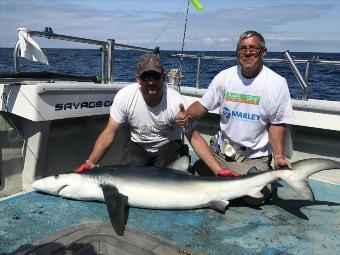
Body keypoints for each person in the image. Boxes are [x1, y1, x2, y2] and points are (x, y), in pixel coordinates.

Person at [75, 53, 240, 178]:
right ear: (138, 79)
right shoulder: (125, 97)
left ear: (164, 76)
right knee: (129, 176)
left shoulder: (177, 103)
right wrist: (91, 162)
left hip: (167, 146)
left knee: (165, 175)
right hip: (138, 145)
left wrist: (219, 171)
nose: (151, 81)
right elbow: (109, 132)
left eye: (156, 76)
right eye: (146, 76)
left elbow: (194, 138)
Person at [176, 31, 294, 205]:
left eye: (253, 49)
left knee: (255, 200)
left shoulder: (276, 83)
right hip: (221, 153)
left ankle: (240, 182)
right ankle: (224, 180)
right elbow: (203, 106)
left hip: (254, 158)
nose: (247, 53)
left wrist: (278, 156)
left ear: (263, 52)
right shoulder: (225, 77)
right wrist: (185, 115)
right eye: (242, 49)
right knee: (192, 186)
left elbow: (276, 124)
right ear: (237, 52)